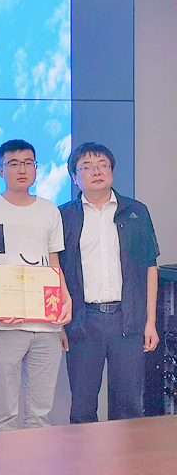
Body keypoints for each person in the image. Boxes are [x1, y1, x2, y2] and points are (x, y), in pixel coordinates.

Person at [0, 139, 72, 431]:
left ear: (36, 167)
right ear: (0, 170)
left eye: (28, 163)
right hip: (4, 325)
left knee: (40, 415)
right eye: (13, 163)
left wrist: (65, 305)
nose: (22, 169)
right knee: (5, 416)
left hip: (46, 325)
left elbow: (54, 265)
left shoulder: (49, 210)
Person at [59, 142, 159, 423]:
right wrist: (59, 324)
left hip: (127, 320)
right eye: (87, 167)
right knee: (82, 406)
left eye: (103, 165)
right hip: (83, 321)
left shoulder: (136, 211)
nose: (97, 171)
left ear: (112, 171)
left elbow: (150, 267)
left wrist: (150, 322)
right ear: (74, 177)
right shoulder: (64, 216)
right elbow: (55, 271)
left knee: (129, 404)